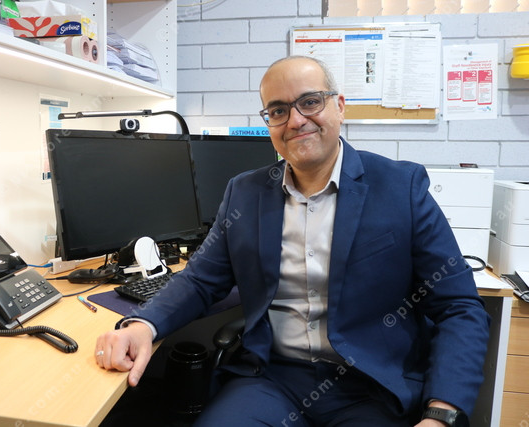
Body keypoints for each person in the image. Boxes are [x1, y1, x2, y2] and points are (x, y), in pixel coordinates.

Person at [95, 56, 490, 426]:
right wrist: (144, 325)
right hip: (273, 378)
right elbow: (199, 280)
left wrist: (441, 414)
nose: (296, 120)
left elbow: (458, 307)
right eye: (278, 110)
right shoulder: (245, 193)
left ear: (340, 106)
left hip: (370, 385)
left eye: (310, 102)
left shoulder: (401, 187)